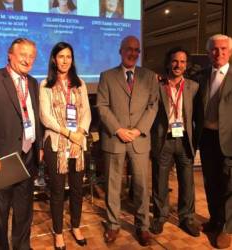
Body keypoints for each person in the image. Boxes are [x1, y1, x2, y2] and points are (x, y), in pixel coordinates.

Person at [0, 38, 42, 250]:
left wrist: (38, 146)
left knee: (24, 211)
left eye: (32, 56)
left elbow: (33, 117)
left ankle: (22, 246)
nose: (27, 59)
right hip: (1, 159)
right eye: (23, 54)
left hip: (28, 156)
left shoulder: (33, 82)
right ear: (9, 55)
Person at [96, 35, 159, 246]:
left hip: (139, 139)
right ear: (120, 51)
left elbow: (153, 106)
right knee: (113, 185)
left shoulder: (149, 77)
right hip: (114, 138)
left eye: (136, 50)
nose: (133, 53)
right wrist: (118, 130)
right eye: (129, 49)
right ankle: (113, 225)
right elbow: (102, 106)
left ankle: (143, 227)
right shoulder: (107, 76)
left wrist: (138, 130)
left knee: (141, 186)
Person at [39, 42, 91, 250]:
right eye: (61, 56)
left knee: (78, 189)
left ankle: (76, 226)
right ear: (54, 59)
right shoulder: (45, 85)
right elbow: (45, 116)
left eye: (68, 56)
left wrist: (80, 134)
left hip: (78, 144)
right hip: (56, 143)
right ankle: (59, 233)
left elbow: (86, 111)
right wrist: (69, 134)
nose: (65, 60)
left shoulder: (80, 83)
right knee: (58, 190)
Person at [150, 47, 200, 237]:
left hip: (184, 140)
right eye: (175, 61)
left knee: (187, 181)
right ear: (168, 63)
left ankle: (186, 217)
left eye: (182, 62)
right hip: (163, 139)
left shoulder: (193, 87)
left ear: (186, 65)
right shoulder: (157, 85)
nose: (178, 65)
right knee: (160, 180)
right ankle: (160, 216)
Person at [194, 34, 232, 249]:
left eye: (223, 49)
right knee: (210, 182)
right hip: (207, 138)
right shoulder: (201, 76)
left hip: (229, 139)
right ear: (208, 52)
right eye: (214, 49)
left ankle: (227, 228)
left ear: (230, 51)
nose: (219, 53)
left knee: (229, 184)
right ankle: (215, 220)